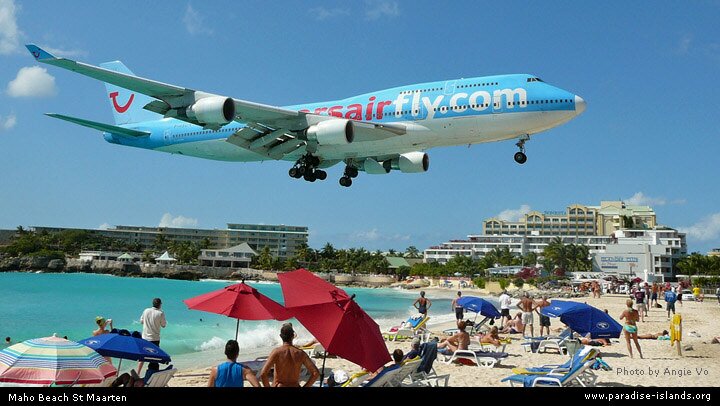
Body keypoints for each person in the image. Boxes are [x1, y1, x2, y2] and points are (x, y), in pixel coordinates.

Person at [138, 298, 167, 374]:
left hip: (144, 337)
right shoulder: (160, 313)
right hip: (154, 338)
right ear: (160, 304)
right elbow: (163, 325)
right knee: (154, 358)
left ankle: (138, 373)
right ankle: (152, 373)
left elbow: (141, 321)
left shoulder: (146, 310)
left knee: (142, 357)